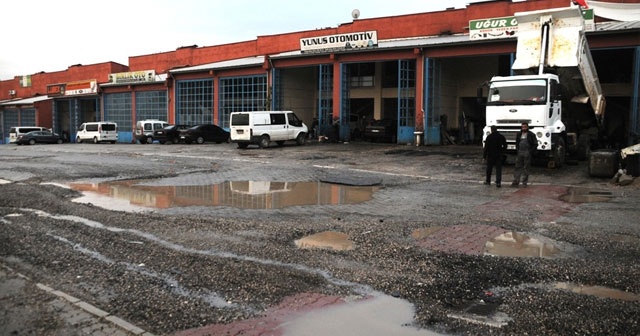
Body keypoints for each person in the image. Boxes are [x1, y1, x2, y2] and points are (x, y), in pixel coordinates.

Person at [512, 122, 537, 187]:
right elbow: (517, 143)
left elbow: (535, 144)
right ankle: (516, 181)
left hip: (527, 152)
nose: (523, 128)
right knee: (517, 167)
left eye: (525, 127)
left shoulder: (531, 134)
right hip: (520, 152)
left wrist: (530, 151)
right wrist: (517, 150)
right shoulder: (519, 134)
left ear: (527, 127)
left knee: (526, 168)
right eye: (522, 127)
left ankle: (524, 182)